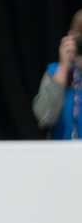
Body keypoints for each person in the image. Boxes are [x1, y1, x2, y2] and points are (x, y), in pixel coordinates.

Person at [33, 9, 82, 140]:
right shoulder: (56, 72)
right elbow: (44, 118)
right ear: (71, 38)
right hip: (63, 157)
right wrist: (63, 67)